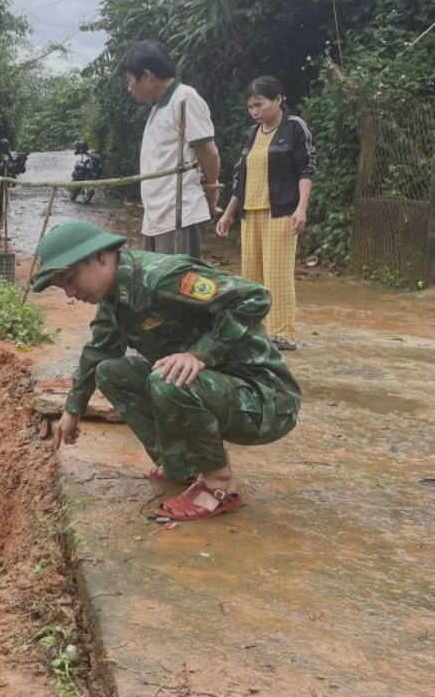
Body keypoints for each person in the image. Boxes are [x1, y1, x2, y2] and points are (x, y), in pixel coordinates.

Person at [34, 220, 301, 522]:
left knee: (168, 378)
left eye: (71, 279)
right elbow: (98, 353)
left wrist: (200, 353)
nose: (70, 293)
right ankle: (184, 464)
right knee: (110, 371)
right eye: (62, 287)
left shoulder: (161, 277)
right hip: (218, 389)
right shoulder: (114, 299)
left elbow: (255, 296)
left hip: (265, 398)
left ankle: (219, 484)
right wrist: (73, 409)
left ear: (101, 256)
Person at [216, 77, 315, 351]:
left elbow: (306, 168)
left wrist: (301, 207)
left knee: (278, 273)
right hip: (251, 211)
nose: (254, 111)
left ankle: (283, 333)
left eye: (259, 105)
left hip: (281, 211)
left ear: (278, 99)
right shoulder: (252, 133)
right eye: (250, 107)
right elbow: (241, 178)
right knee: (251, 275)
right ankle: (255, 330)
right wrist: (228, 214)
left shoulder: (294, 127)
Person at [118, 41, 222, 258]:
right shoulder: (158, 108)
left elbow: (208, 152)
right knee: (154, 284)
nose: (129, 89)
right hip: (157, 215)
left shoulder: (185, 98)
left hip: (179, 214)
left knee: (175, 287)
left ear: (147, 76)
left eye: (129, 82)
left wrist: (211, 188)